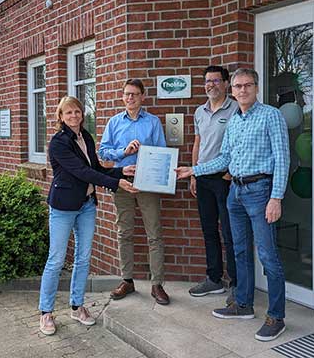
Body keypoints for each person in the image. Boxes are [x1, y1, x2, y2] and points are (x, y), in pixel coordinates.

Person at [176, 68, 290, 341]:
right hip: (235, 192)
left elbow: (283, 158)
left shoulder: (271, 116)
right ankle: (243, 304)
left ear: (256, 87)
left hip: (261, 191)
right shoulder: (234, 121)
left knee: (268, 256)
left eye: (247, 85)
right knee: (239, 251)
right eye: (238, 86)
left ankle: (276, 316)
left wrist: (276, 197)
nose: (241, 90)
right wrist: (194, 170)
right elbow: (224, 159)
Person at [39, 96, 138, 336]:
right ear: (60, 117)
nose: (73, 116)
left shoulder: (86, 137)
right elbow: (82, 172)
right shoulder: (58, 143)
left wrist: (119, 170)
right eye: (68, 113)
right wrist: (118, 182)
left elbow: (95, 168)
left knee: (83, 259)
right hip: (63, 207)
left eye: (77, 111)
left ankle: (77, 306)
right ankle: (46, 312)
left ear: (82, 114)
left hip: (86, 205)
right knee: (56, 259)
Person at [98, 79, 170, 305]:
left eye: (135, 94)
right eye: (127, 94)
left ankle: (157, 284)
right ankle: (127, 280)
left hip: (147, 184)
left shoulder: (153, 122)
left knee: (154, 234)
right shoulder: (114, 122)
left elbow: (162, 152)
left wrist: (147, 169)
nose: (130, 98)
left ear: (142, 97)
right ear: (123, 96)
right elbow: (103, 152)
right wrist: (124, 152)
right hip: (122, 183)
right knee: (124, 232)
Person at [188, 65, 248, 306]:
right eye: (207, 81)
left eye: (215, 80)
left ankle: (235, 283)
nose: (210, 85)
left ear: (225, 84)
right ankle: (214, 279)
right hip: (203, 178)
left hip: (224, 178)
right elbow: (197, 143)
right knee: (209, 230)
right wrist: (193, 174)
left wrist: (231, 172)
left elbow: (241, 143)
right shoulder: (199, 112)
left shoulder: (236, 109)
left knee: (230, 233)